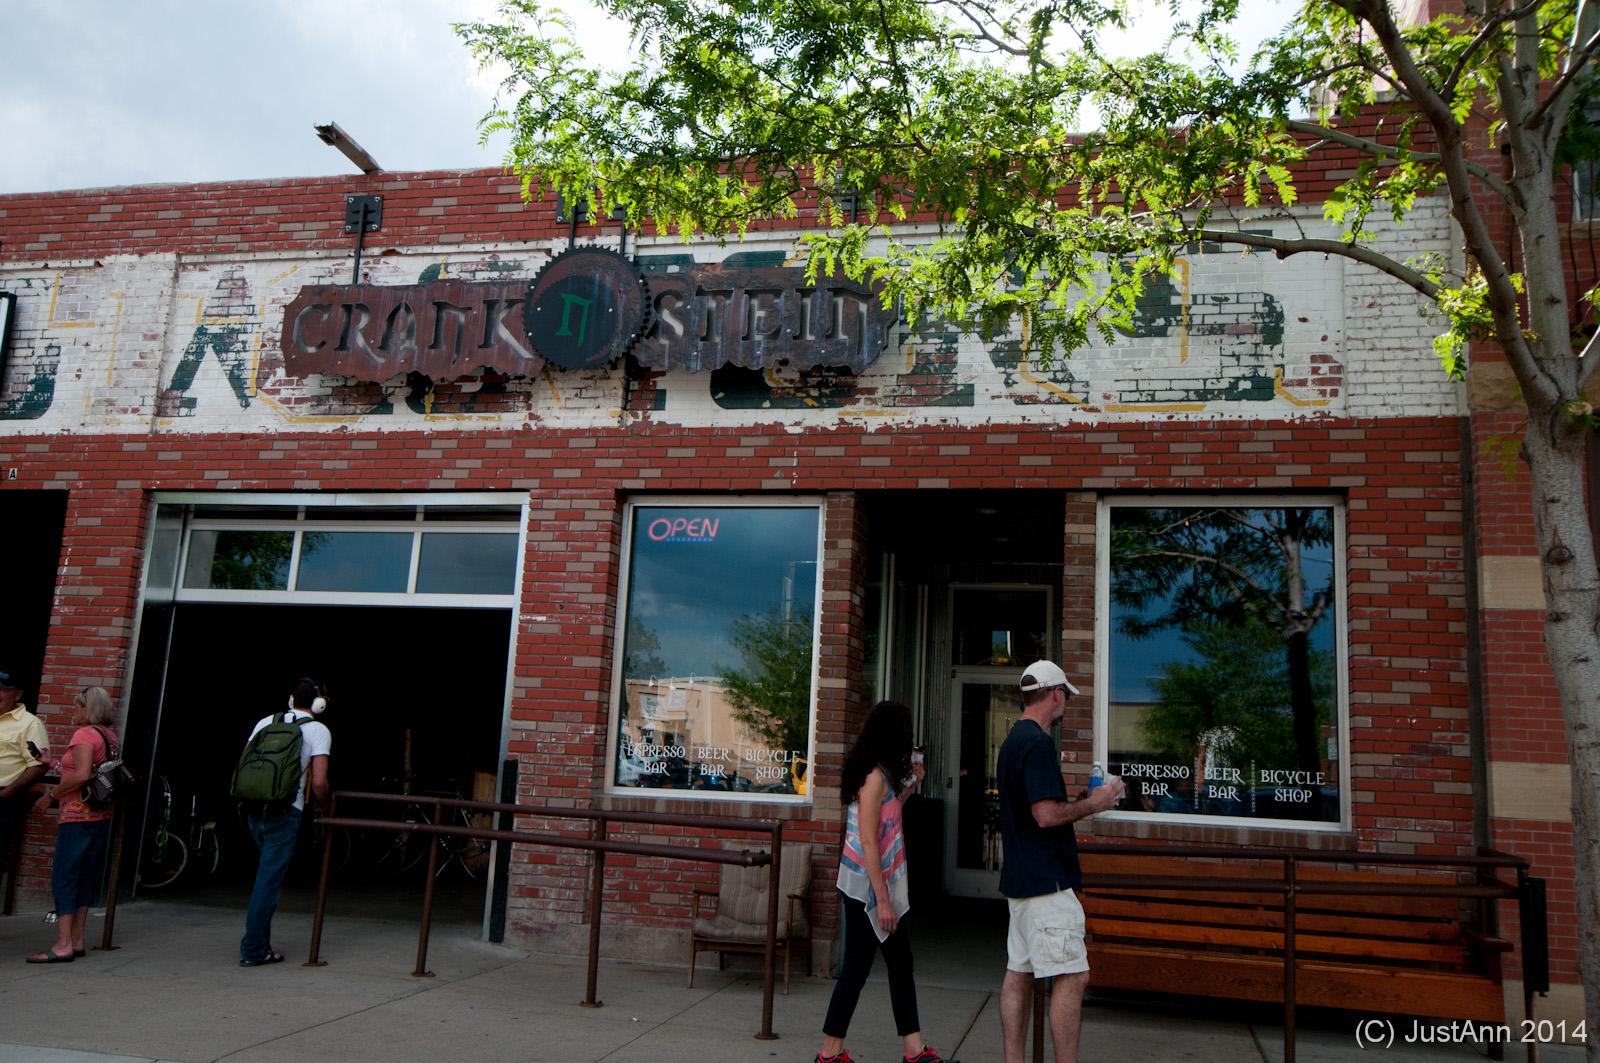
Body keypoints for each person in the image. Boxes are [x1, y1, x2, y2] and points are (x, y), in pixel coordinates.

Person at [996, 661, 1126, 1063]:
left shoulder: (1012, 740)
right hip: (1047, 883)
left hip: (1020, 883)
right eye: (1066, 695)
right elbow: (1046, 814)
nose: (1066, 703)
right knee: (1073, 976)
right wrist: (1097, 802)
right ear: (1055, 694)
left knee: (1019, 973)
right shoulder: (1037, 744)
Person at [817, 700, 947, 1063]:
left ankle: (906, 1048)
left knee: (892, 963)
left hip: (873, 884)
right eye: (906, 733)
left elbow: (889, 817)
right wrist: (884, 899)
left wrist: (911, 785)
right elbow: (871, 839)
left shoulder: (882, 774)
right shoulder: (873, 777)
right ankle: (833, 1052)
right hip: (866, 888)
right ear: (894, 734)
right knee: (863, 967)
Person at [238, 677, 331, 967]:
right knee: (267, 883)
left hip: (255, 808)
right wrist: (326, 805)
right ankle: (254, 950)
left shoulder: (266, 721)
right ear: (320, 704)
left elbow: (244, 762)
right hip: (286, 811)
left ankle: (257, 944)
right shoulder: (318, 730)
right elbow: (318, 782)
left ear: (291, 700)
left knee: (264, 876)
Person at [26, 686, 118, 963]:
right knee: (85, 877)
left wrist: (50, 796)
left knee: (65, 877)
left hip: (76, 817)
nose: (73, 712)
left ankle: (63, 943)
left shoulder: (83, 734)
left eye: (77, 707)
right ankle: (77, 940)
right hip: (100, 818)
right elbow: (87, 771)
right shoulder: (109, 736)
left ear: (87, 709)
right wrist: (52, 763)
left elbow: (79, 776)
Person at [0, 668, 50, 846]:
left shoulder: (30, 723)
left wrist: (6, 794)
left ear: (17, 694)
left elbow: (40, 764)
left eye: (4, 689)